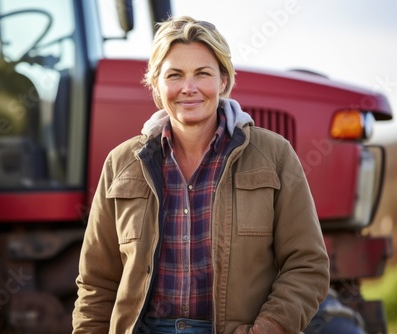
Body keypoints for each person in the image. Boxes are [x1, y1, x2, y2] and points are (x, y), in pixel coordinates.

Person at [72, 15, 330, 334]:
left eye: (202, 74)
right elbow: (97, 282)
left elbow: (307, 265)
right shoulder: (121, 162)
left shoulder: (274, 154)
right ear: (156, 84)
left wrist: (269, 329)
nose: (188, 88)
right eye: (175, 75)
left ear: (223, 80)